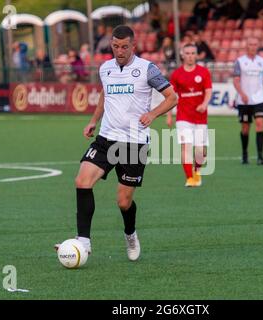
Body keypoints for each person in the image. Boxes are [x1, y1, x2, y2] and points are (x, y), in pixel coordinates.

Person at [55, 26, 178, 261]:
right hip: (106, 138)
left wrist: (152, 114)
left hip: (134, 143)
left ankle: (130, 233)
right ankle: (84, 242)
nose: (119, 51)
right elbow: (105, 95)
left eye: (124, 47)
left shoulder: (147, 69)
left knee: (123, 202)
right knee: (82, 181)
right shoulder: (106, 68)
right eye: (115, 46)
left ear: (133, 46)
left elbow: (172, 97)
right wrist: (93, 121)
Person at [167, 44, 212, 187]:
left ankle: (197, 171)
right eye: (187, 53)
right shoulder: (176, 74)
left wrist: (204, 104)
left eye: (193, 53)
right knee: (186, 147)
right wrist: (169, 115)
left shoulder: (203, 72)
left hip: (200, 117)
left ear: (197, 55)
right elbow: (170, 96)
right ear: (182, 55)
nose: (190, 56)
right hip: (183, 117)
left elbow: (208, 91)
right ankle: (190, 178)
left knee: (201, 150)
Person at [233, 38, 263, 166]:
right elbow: (236, 80)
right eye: (250, 44)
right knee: (245, 128)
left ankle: (260, 156)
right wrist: (242, 94)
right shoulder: (240, 62)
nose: (253, 47)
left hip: (259, 99)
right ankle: (245, 153)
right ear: (246, 46)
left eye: (255, 44)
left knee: (260, 123)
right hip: (244, 100)